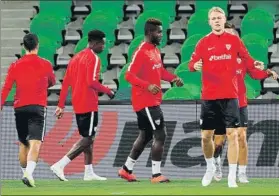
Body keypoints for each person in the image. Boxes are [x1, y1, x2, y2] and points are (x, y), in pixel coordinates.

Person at [188, 7, 266, 188]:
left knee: (233, 135)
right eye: (213, 18)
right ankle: (210, 167)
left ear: (224, 20)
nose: (216, 21)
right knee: (206, 137)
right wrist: (195, 65)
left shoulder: (234, 40)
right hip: (209, 96)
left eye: (219, 18)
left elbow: (247, 58)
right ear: (209, 22)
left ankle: (232, 176)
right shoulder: (203, 43)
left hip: (231, 96)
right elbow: (192, 63)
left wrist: (255, 63)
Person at [118, 18, 184, 183]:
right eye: (158, 31)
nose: (161, 35)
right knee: (161, 134)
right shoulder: (141, 51)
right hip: (145, 101)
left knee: (146, 135)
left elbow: (160, 71)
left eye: (161, 31)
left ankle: (126, 169)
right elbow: (128, 75)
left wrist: (173, 78)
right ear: (149, 32)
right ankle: (156, 174)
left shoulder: (154, 50)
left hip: (152, 100)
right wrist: (147, 86)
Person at [213, 22, 278, 183]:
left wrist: (268, 72)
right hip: (221, 102)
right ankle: (216, 162)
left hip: (240, 102)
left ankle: (241, 173)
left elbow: (255, 73)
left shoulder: (243, 57)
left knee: (241, 137)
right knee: (219, 140)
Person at [51, 30, 115, 182]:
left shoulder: (76, 58)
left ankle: (88, 172)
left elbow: (65, 82)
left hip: (77, 103)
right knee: (88, 138)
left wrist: (61, 105)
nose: (103, 47)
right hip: (89, 103)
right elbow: (91, 82)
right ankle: (60, 164)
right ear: (94, 43)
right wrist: (108, 91)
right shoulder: (93, 58)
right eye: (102, 44)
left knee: (88, 137)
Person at [1, 33, 56, 187]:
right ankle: (29, 174)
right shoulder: (45, 64)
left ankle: (24, 173)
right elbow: (51, 81)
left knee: (23, 143)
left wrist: (0, 104)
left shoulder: (15, 65)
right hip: (37, 106)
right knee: (35, 142)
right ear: (37, 45)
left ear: (24, 46)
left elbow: (6, 87)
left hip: (19, 107)